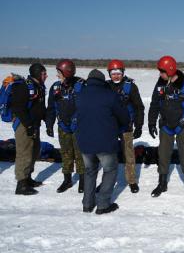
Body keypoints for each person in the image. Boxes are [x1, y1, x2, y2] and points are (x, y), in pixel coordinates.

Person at [75, 69, 130, 214]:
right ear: (102, 81)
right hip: (105, 142)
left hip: (85, 142)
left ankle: (87, 204)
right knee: (110, 170)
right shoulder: (110, 96)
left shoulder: (80, 95)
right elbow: (123, 116)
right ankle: (103, 204)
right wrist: (122, 125)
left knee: (89, 171)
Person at [148, 55, 184, 198]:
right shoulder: (160, 84)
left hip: (183, 125)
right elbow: (154, 104)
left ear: (170, 71)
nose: (160, 74)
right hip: (166, 125)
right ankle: (162, 183)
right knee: (163, 154)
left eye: (162, 71)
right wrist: (151, 122)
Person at [46, 59, 85, 193]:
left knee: (80, 154)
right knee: (66, 154)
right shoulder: (56, 87)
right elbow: (51, 107)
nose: (57, 75)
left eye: (59, 72)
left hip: (79, 126)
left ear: (67, 72)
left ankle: (83, 181)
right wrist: (49, 124)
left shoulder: (81, 85)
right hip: (63, 125)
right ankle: (67, 180)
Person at [106, 59, 144, 193]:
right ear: (109, 74)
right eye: (113, 73)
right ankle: (107, 181)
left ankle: (132, 180)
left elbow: (139, 107)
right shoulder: (105, 86)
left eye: (118, 73)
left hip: (126, 127)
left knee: (129, 155)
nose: (116, 76)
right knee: (109, 156)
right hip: (109, 128)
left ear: (123, 73)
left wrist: (139, 126)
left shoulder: (130, 86)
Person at [10, 63, 47, 195]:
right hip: (24, 125)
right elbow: (18, 108)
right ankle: (21, 184)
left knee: (34, 151)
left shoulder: (39, 86)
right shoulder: (24, 87)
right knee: (24, 153)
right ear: (37, 73)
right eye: (44, 73)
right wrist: (29, 125)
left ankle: (28, 178)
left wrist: (46, 119)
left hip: (33, 125)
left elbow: (39, 107)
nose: (46, 75)